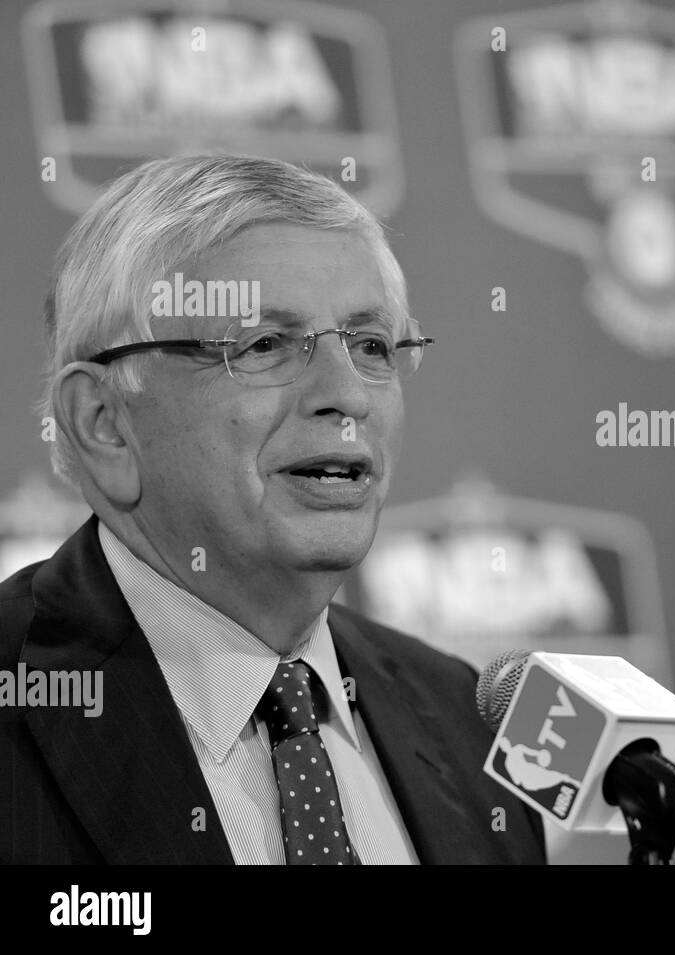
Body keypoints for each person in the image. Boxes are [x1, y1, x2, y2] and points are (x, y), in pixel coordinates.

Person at [0, 154, 546, 864]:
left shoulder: (465, 719)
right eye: (263, 345)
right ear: (106, 422)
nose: (346, 395)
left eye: (371, 345)